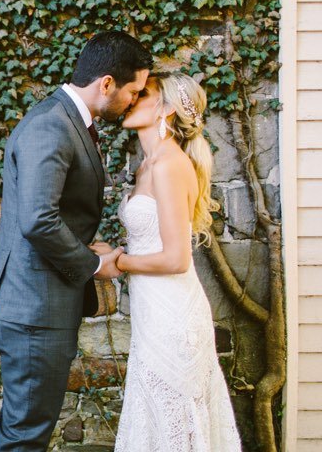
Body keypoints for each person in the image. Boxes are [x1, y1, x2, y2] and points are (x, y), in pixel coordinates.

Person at [0, 31, 152, 451]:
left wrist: (83, 245)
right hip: (32, 310)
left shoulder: (67, 121)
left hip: (35, 305)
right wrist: (94, 265)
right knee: (25, 438)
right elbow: (38, 220)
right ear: (106, 83)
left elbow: (46, 214)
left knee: (23, 431)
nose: (135, 100)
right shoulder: (52, 125)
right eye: (133, 91)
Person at [104, 72, 241, 450]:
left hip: (173, 316)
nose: (129, 99)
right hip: (153, 311)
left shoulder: (168, 164)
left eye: (141, 94)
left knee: (174, 423)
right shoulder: (148, 165)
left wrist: (121, 262)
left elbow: (177, 259)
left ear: (165, 108)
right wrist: (110, 250)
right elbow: (149, 238)